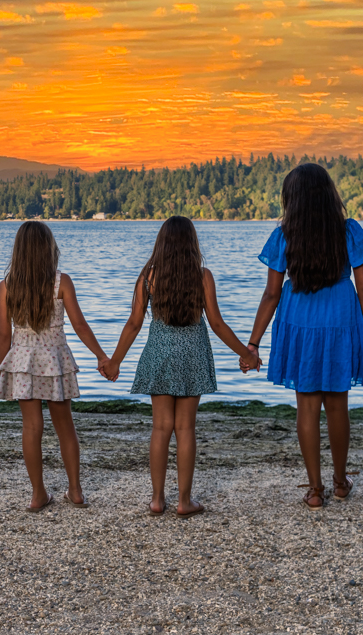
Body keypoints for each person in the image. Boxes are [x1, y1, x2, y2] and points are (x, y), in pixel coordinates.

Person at [102, 216, 259, 518]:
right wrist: (247, 354)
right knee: (185, 427)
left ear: (161, 243)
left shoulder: (148, 276)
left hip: (159, 354)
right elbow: (216, 323)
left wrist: (115, 361)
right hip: (193, 355)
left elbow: (134, 323)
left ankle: (157, 499)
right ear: (192, 243)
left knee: (161, 427)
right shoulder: (203, 276)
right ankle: (184, 501)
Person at [244, 163, 363, 510]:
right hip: (341, 319)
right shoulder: (348, 232)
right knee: (337, 404)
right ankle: (340, 481)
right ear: (328, 193)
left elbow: (271, 294)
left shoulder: (284, 235)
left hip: (300, 322)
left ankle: (315, 490)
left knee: (306, 406)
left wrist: (253, 343)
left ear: (293, 199)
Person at [0, 221, 110, 512]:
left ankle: (38, 494)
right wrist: (101, 356)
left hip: (22, 361)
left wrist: (4, 369)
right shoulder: (62, 282)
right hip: (55, 360)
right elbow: (80, 325)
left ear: (18, 251)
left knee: (31, 427)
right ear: (49, 249)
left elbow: (4, 334)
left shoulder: (7, 286)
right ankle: (75, 491)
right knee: (65, 427)